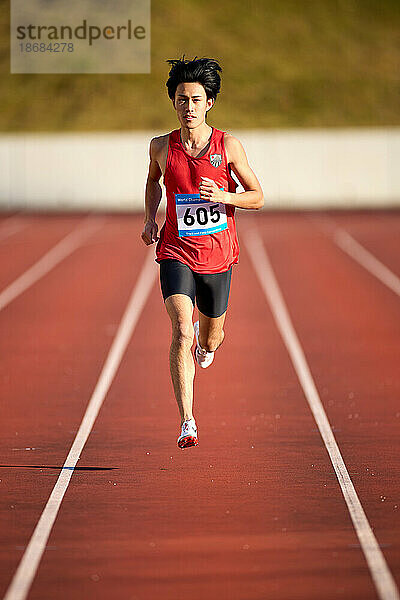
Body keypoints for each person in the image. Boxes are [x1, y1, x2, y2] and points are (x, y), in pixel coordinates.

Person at [141, 56, 264, 449]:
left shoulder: (227, 145)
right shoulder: (161, 146)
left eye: (195, 99)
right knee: (179, 327)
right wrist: (149, 219)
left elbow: (258, 197)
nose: (188, 107)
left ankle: (205, 342)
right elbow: (153, 182)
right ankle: (187, 421)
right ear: (173, 102)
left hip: (218, 255)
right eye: (181, 99)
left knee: (211, 340)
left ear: (208, 102)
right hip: (175, 250)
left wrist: (225, 194)